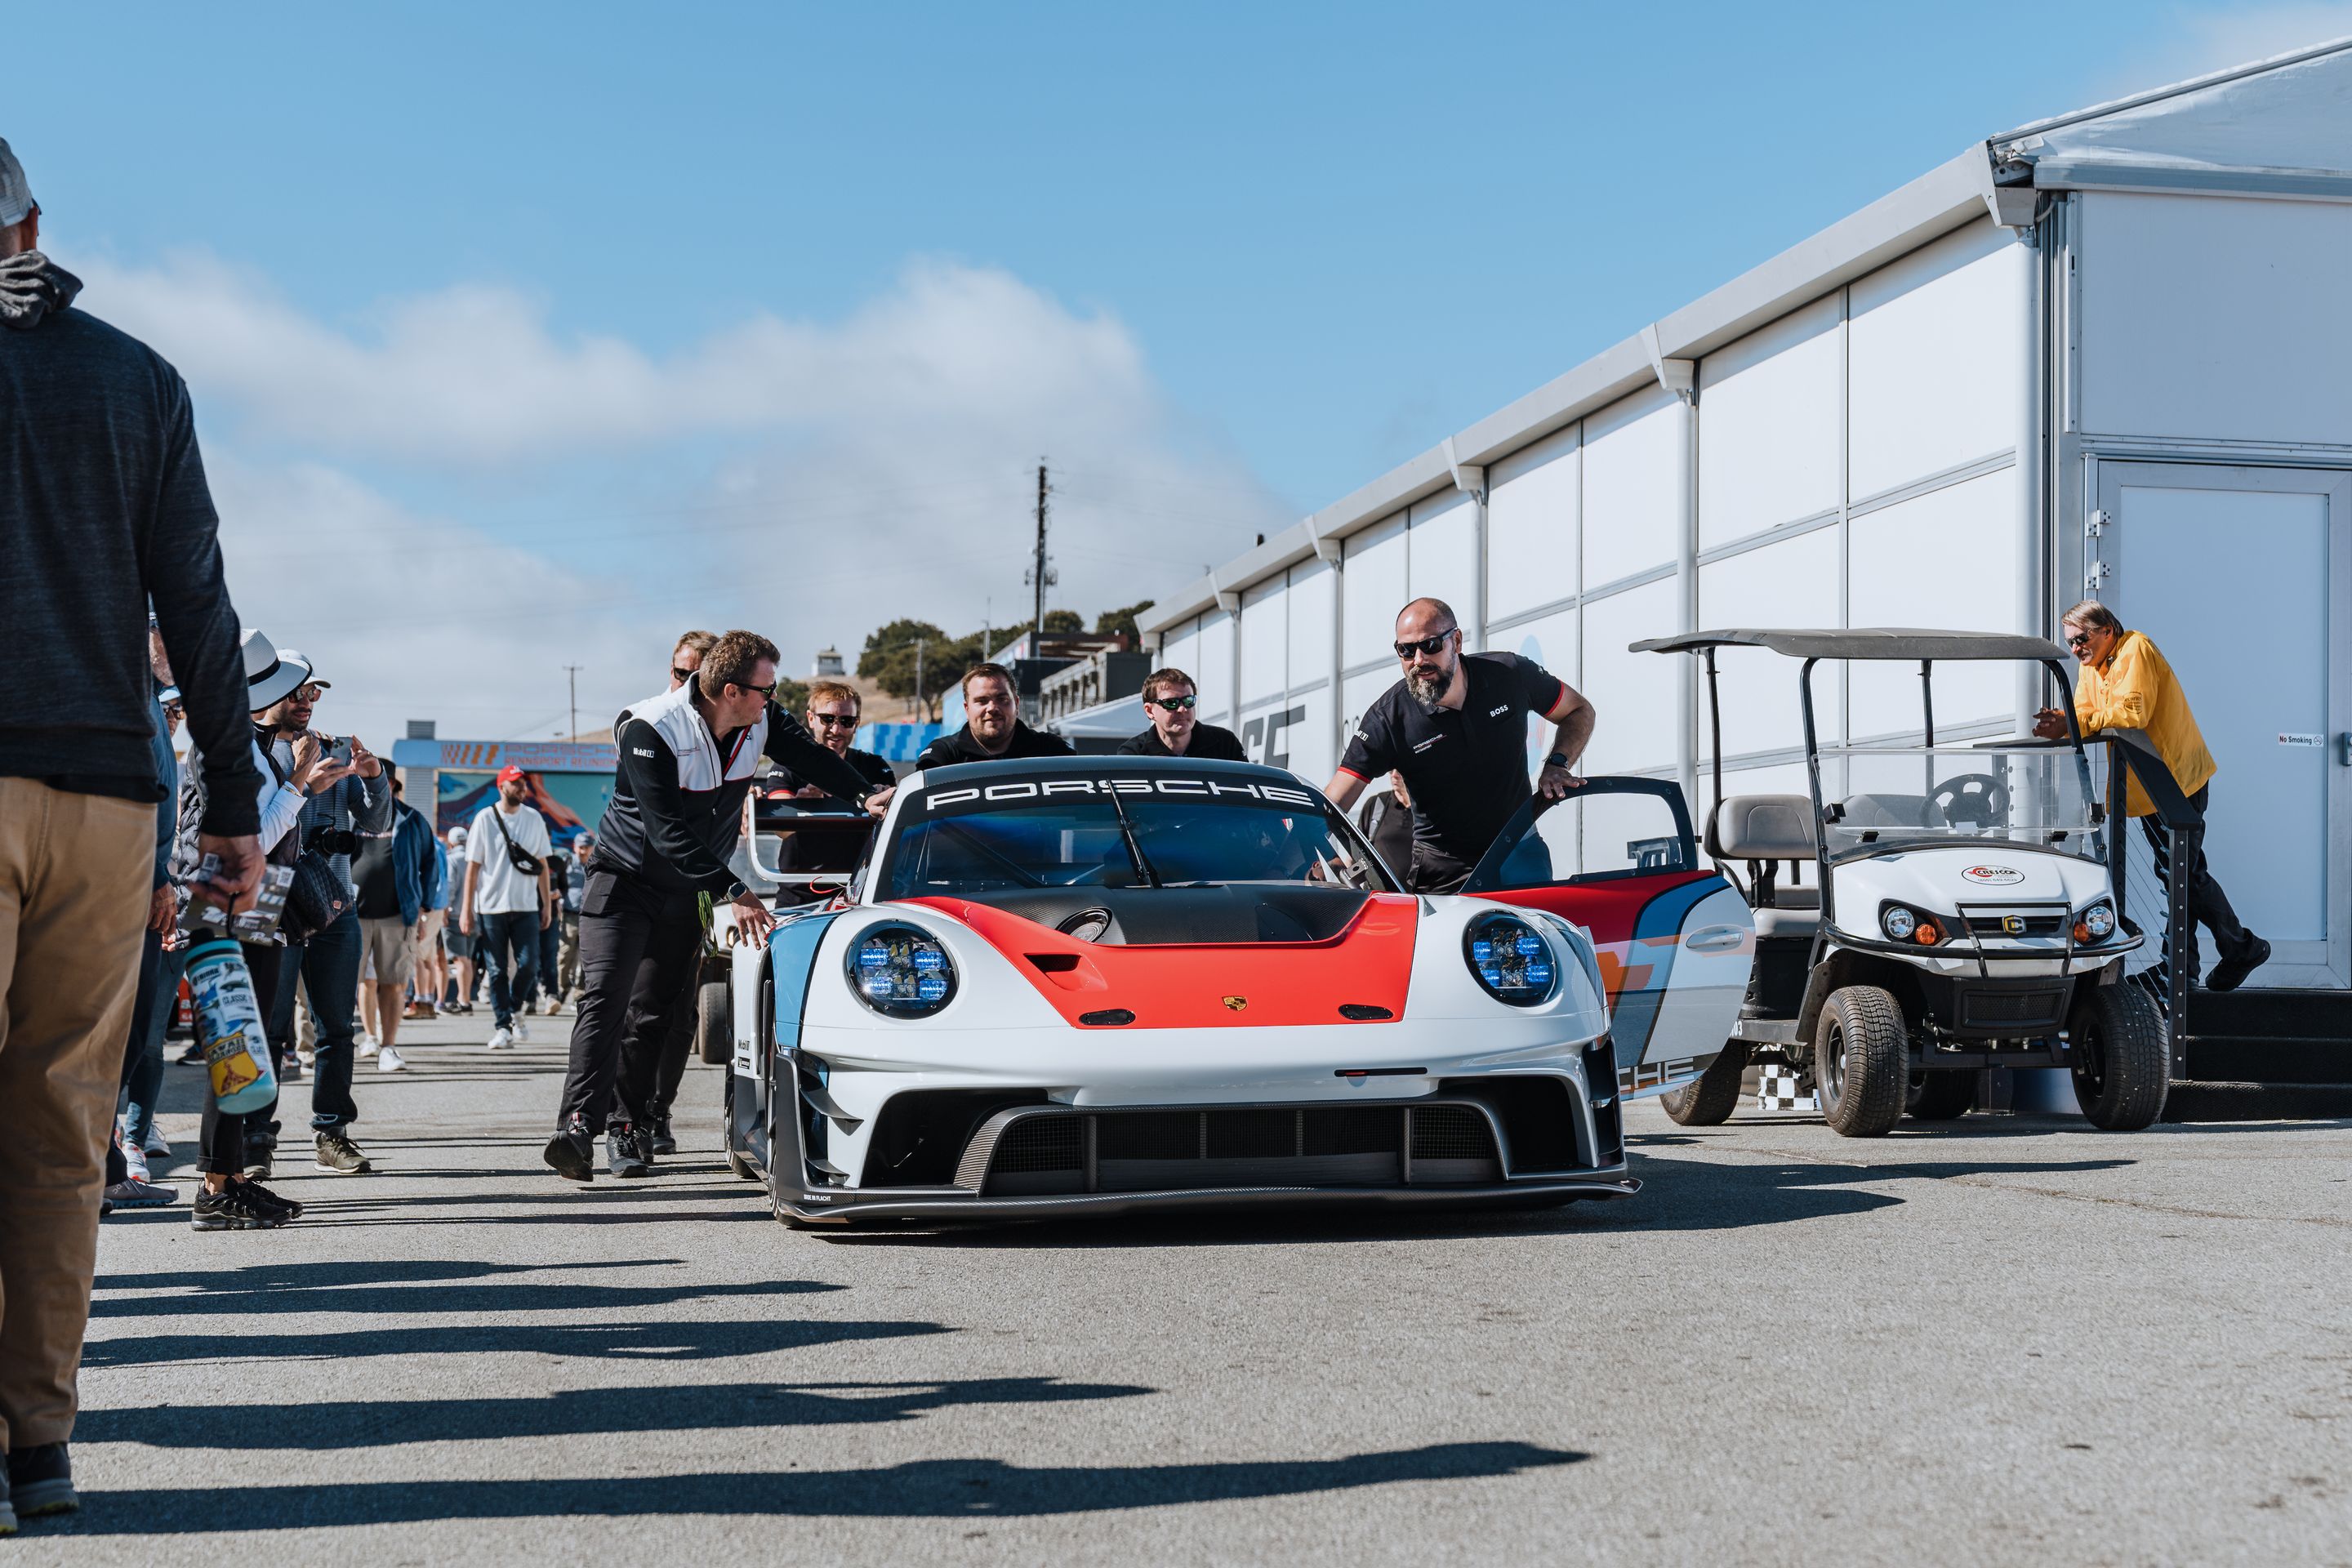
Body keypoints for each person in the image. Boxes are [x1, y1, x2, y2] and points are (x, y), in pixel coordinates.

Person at [0, 139, 267, 1521]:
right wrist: (233, 798)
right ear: (32, 226)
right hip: (107, 792)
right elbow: (199, 604)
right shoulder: (137, 378)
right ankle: (35, 1443)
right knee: (60, 1125)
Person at [547, 630, 891, 1182]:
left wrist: (861, 794)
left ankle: (631, 1127)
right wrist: (736, 890)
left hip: (693, 889)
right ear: (732, 690)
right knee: (605, 999)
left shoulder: (763, 719)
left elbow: (809, 757)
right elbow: (667, 834)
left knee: (658, 1010)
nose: (772, 698)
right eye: (766, 688)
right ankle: (576, 1126)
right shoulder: (649, 727)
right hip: (623, 880)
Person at [171, 632, 335, 1232]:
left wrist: (300, 783)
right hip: (227, 912)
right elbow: (249, 846)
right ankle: (217, 1186)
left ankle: (232, 1177)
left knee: (248, 1051)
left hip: (248, 912)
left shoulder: (244, 746)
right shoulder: (228, 752)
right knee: (233, 1052)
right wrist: (300, 786)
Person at [2034, 599, 2268, 990]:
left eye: (2081, 638)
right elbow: (2085, 713)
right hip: (2147, 786)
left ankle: (2233, 951)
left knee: (2181, 874)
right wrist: (2064, 722)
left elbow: (2131, 714)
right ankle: (2188, 968)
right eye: (2070, 642)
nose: (2076, 649)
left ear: (2107, 630)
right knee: (2179, 872)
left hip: (2176, 781)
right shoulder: (2092, 666)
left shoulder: (2135, 648)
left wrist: (2073, 722)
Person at [1322, 598, 1595, 893]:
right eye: (1406, 650)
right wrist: (1338, 866)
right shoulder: (1388, 718)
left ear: (1456, 641)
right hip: (1443, 868)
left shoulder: (1509, 674)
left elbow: (1578, 711)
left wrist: (1557, 763)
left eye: (1430, 646)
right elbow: (1330, 805)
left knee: (1542, 936)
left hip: (1519, 849)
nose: (1418, 660)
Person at [256, 660, 391, 1175]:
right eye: (297, 692)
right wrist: (301, 781)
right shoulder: (255, 752)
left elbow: (376, 825)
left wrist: (374, 779)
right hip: (272, 906)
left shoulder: (335, 750)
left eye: (313, 691)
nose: (308, 700)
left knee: (336, 1025)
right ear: (270, 694)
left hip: (333, 905)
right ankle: (254, 1140)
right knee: (270, 1031)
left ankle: (332, 1133)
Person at [100, 625, 192, 1213]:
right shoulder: (118, 691)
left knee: (130, 1037)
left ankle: (106, 1168)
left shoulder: (144, 697)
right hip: (118, 884)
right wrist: (158, 877)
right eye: (167, 632)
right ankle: (97, 1169)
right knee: (109, 1037)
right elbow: (132, 788)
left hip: (141, 883)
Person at [461, 765, 552, 1051]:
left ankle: (513, 1010)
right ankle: (503, 1026)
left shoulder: (534, 818)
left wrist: (546, 904)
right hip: (490, 907)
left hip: (525, 906)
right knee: (497, 969)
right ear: (502, 787)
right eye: (516, 784)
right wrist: (467, 909)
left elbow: (543, 865)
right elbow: (473, 868)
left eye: (524, 784)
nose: (522, 788)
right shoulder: (485, 819)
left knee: (529, 964)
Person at [351, 773, 433, 1072]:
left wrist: (423, 909)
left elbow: (429, 863)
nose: (373, 788)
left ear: (394, 787)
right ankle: (368, 1036)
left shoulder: (412, 820)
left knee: (394, 984)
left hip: (397, 915)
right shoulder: (351, 814)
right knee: (361, 981)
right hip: (353, 914)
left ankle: (388, 1046)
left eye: (379, 781)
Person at [915, 664, 1076, 768]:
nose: (992, 708)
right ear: (967, 709)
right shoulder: (943, 754)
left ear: (1017, 705)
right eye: (982, 701)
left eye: (1002, 699)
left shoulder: (1050, 749)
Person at [1117, 668, 1248, 760]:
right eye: (1171, 703)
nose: (1182, 709)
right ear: (1150, 711)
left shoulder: (1225, 744)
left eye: (1188, 701)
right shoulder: (1133, 755)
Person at [1355, 770, 1417, 879]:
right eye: (1391, 770)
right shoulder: (1376, 804)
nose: (1394, 776)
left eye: (1400, 770)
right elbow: (1355, 852)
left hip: (1422, 894)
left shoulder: (1428, 810)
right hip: (1379, 893)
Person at [440, 826, 475, 1013]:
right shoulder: (474, 859)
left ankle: (464, 1000)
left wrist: (444, 912)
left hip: (455, 916)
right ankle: (465, 998)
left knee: (460, 961)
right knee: (467, 959)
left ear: (451, 842)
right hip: (474, 916)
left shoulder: (451, 859)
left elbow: (450, 887)